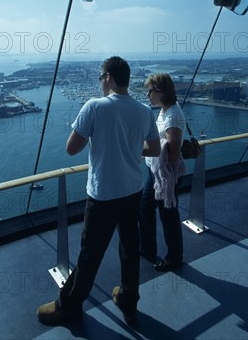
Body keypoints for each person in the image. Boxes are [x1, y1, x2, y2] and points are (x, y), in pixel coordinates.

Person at [37, 56, 160, 325]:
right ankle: (128, 299)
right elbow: (155, 149)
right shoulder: (144, 110)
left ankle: (68, 306)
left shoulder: (94, 106)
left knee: (90, 253)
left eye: (101, 77)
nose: (101, 82)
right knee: (130, 248)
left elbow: (72, 148)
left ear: (108, 77)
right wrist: (129, 149)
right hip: (133, 190)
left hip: (104, 194)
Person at [139, 73, 186, 272]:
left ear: (161, 91)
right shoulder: (164, 111)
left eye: (150, 90)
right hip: (155, 173)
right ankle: (148, 249)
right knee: (145, 209)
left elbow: (173, 153)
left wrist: (165, 174)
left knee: (168, 215)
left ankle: (174, 257)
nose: (147, 95)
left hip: (165, 176)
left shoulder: (173, 115)